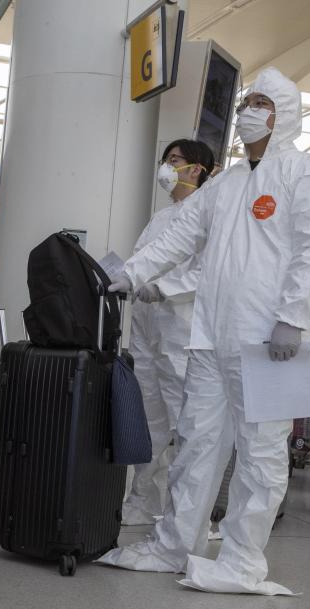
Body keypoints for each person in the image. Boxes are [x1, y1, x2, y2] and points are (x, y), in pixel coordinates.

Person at [99, 67, 310, 595]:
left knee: (262, 452)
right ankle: (173, 545)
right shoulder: (227, 183)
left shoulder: (307, 173)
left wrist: (294, 318)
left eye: (261, 102)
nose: (247, 111)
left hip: (273, 340)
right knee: (198, 444)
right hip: (210, 338)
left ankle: (242, 560)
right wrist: (129, 275)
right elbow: (179, 237)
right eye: (246, 102)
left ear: (286, 114)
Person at [121, 139, 216, 525]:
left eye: (174, 160)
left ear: (196, 170)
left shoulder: (208, 212)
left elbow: (207, 268)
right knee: (148, 418)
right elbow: (144, 259)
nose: (166, 166)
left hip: (182, 324)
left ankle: (189, 513)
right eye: (166, 159)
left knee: (185, 419)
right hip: (147, 323)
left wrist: (164, 289)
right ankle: (144, 501)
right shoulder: (161, 217)